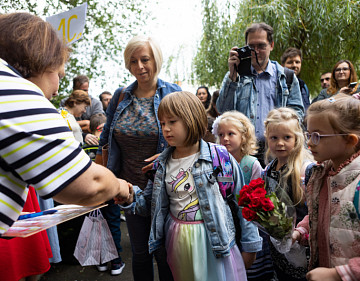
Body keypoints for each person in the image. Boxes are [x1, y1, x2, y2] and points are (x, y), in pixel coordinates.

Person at [0, 12, 130, 280]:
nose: (57, 88)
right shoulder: (19, 95)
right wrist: (120, 187)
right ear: (43, 62)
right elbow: (89, 185)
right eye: (59, 73)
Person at [119, 91, 262, 281]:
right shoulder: (161, 165)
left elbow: (243, 202)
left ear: (192, 119)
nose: (166, 129)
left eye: (172, 122)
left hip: (215, 242)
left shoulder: (220, 157)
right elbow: (148, 203)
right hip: (177, 243)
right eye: (162, 123)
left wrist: (250, 243)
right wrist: (130, 197)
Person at [96, 35, 181, 280]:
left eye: (145, 59)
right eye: (133, 61)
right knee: (140, 253)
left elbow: (192, 138)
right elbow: (106, 140)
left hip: (166, 188)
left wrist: (166, 154)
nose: (139, 67)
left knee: (166, 254)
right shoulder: (121, 96)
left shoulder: (173, 93)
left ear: (156, 60)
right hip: (129, 189)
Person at [292, 94, 360, 281]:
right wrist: (302, 231)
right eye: (308, 134)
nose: (309, 143)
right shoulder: (322, 174)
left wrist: (338, 274)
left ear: (350, 140)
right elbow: (320, 212)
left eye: (317, 136)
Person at [216, 22, 304, 167]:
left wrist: (280, 129)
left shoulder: (286, 76)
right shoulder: (235, 76)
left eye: (261, 46)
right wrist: (232, 78)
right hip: (243, 151)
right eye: (251, 47)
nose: (256, 51)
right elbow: (224, 111)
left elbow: (298, 114)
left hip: (277, 150)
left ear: (271, 45)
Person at [212, 111, 275, 280]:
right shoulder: (217, 163)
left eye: (231, 134)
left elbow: (260, 194)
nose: (225, 138)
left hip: (248, 221)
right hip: (226, 222)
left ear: (244, 136)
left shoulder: (251, 164)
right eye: (221, 135)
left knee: (252, 267)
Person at [263, 107, 314, 281]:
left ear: (297, 138)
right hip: (278, 246)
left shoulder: (305, 170)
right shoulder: (268, 170)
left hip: (301, 243)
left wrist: (299, 234)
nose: (280, 143)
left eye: (287, 138)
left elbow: (314, 211)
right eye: (274, 138)